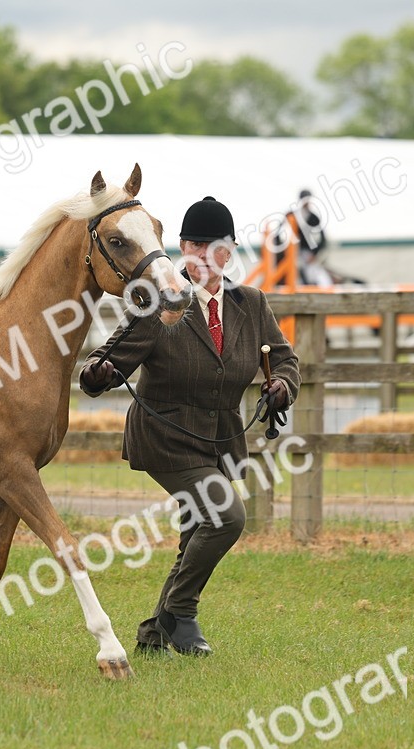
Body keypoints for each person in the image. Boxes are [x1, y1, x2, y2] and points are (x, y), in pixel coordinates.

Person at [79, 196, 301, 659]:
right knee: (227, 516)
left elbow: (284, 360)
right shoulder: (162, 302)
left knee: (197, 529)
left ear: (229, 252)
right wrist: (99, 373)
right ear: (181, 248)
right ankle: (183, 614)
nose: (201, 255)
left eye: (212, 246)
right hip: (165, 437)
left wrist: (281, 385)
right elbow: (105, 365)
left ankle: (157, 631)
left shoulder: (251, 303)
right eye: (192, 245)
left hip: (218, 442)